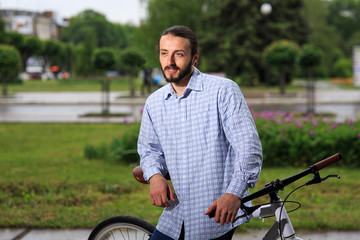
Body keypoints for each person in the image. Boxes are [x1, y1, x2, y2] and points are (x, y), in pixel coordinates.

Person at [137, 25, 263, 240]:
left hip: (216, 213)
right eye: (164, 53)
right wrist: (155, 175)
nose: (170, 62)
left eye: (179, 54)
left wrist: (234, 193)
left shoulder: (223, 91)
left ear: (195, 57)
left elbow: (248, 147)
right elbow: (149, 150)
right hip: (175, 214)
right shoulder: (154, 102)